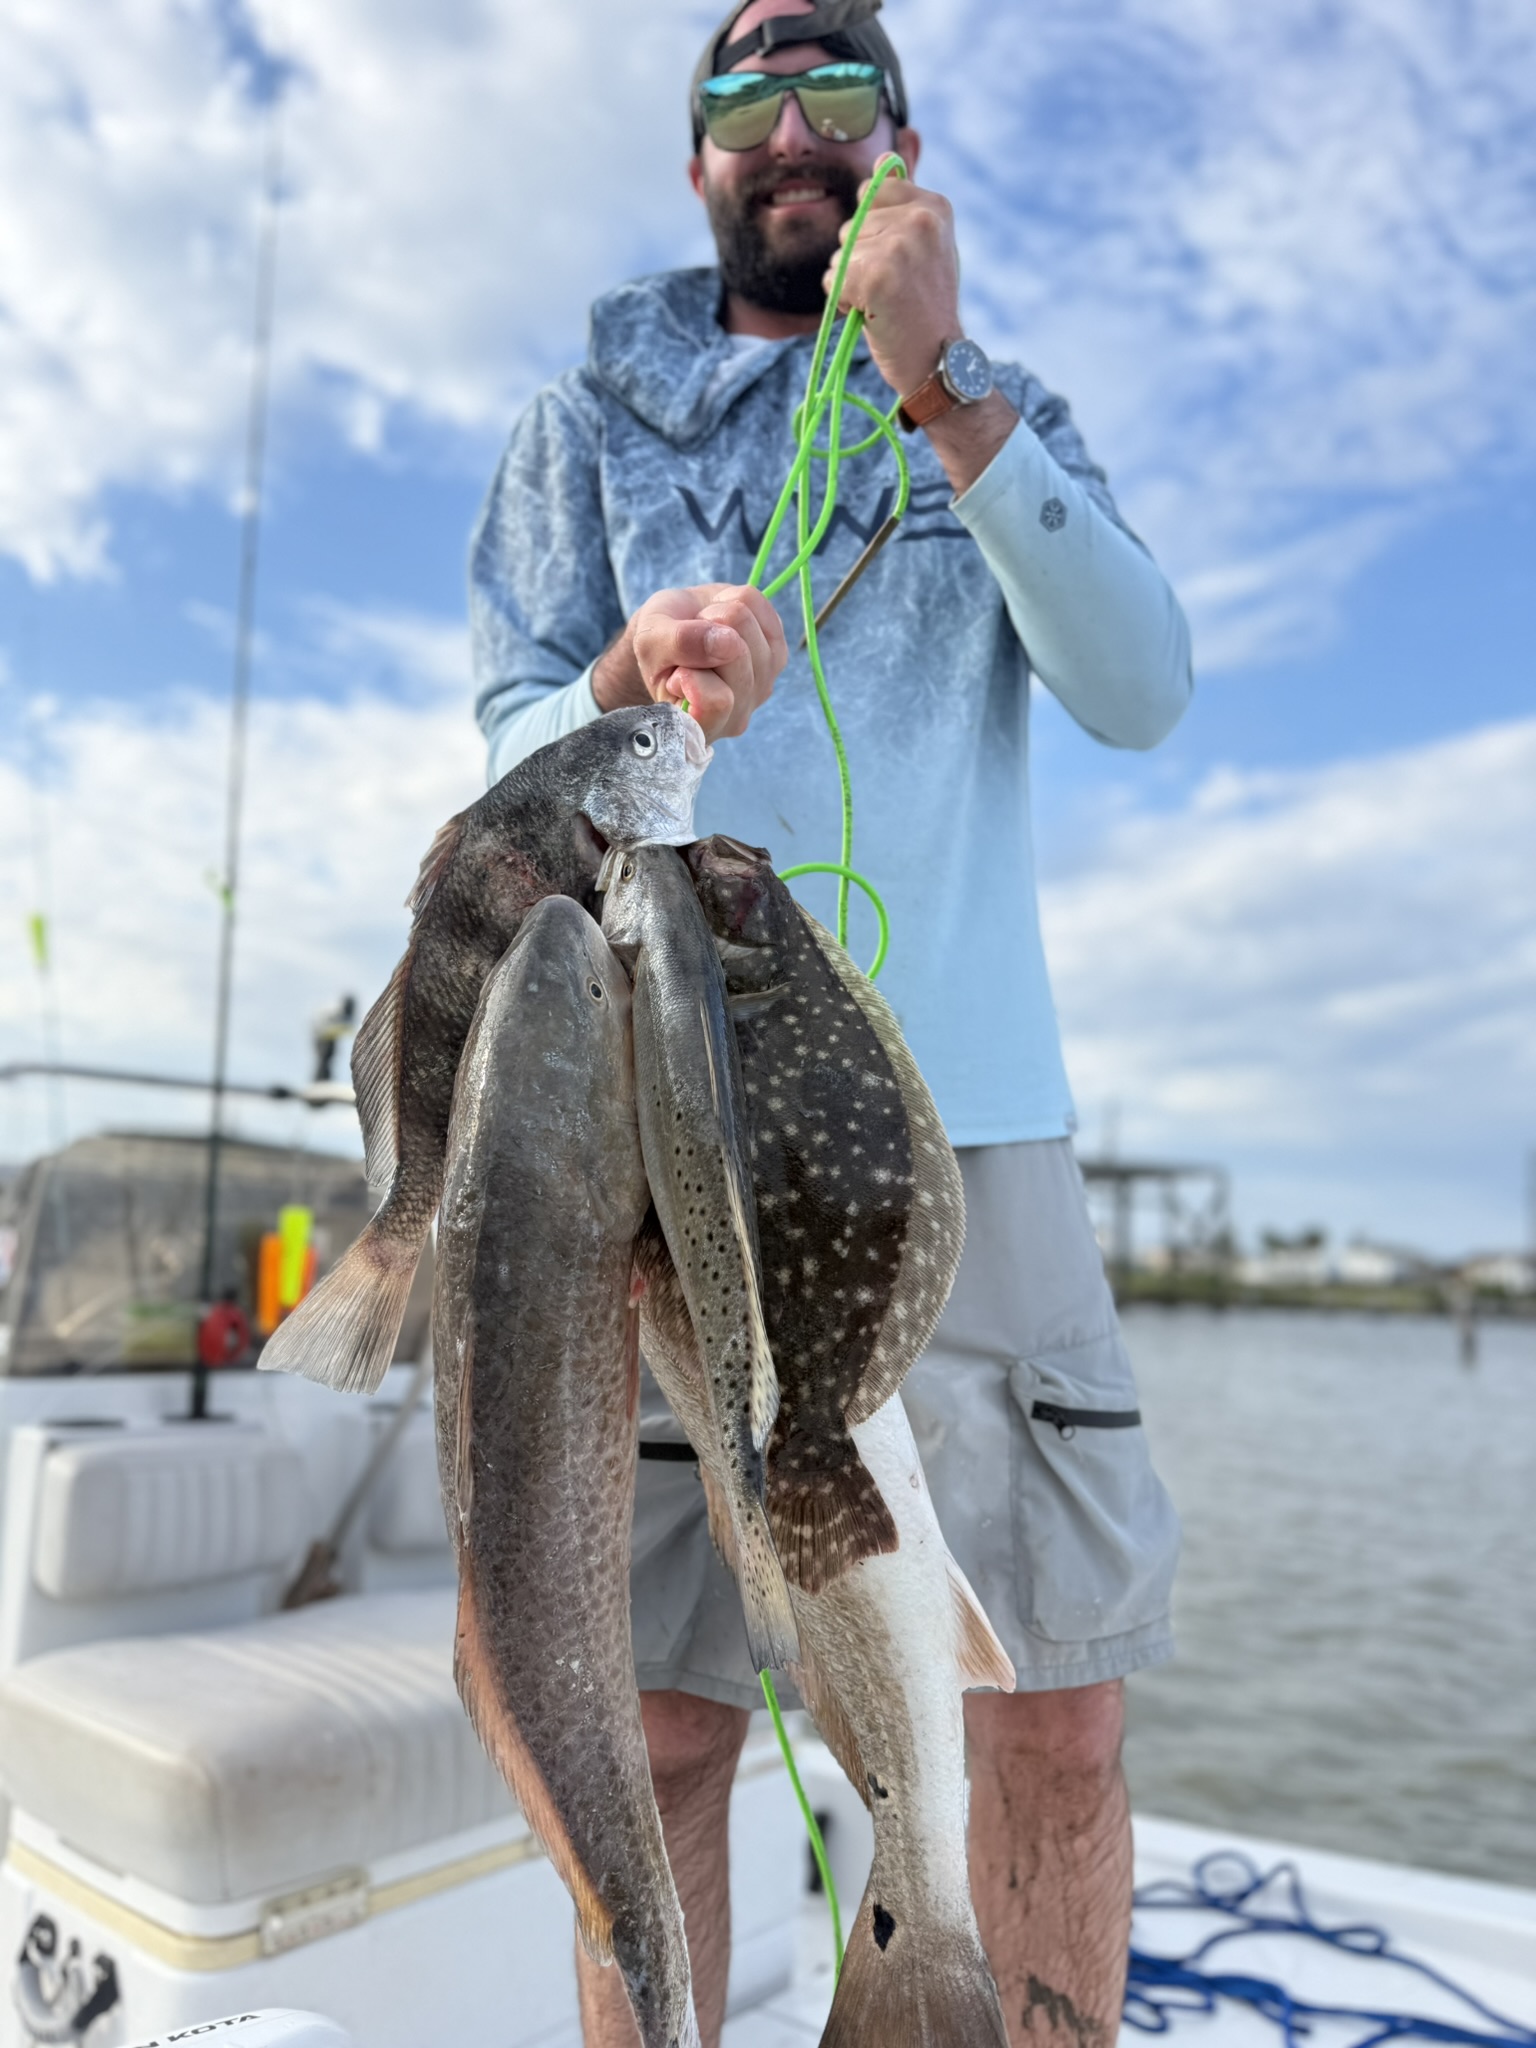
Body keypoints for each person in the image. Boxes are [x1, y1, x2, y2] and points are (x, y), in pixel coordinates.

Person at [470, 2, 1190, 2042]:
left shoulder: (998, 407)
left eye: (839, 86)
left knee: (1048, 1720)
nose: (792, 125)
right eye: (746, 91)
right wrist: (612, 684)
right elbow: (503, 749)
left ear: (903, 146)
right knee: (657, 1733)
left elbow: (1141, 688)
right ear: (696, 152)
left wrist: (945, 390)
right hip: (641, 1145)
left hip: (967, 1129)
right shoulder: (578, 431)